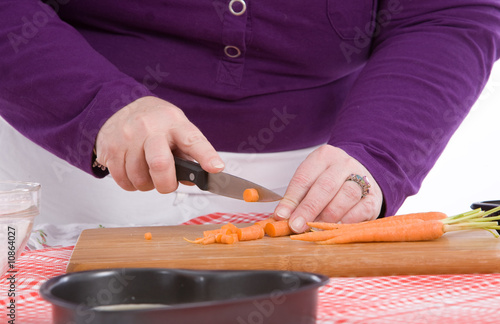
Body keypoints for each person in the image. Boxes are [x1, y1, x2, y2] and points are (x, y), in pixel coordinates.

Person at [1, 1, 499, 246]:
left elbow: (449, 12)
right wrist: (96, 103)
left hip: (315, 179)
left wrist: (381, 147)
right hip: (76, 154)